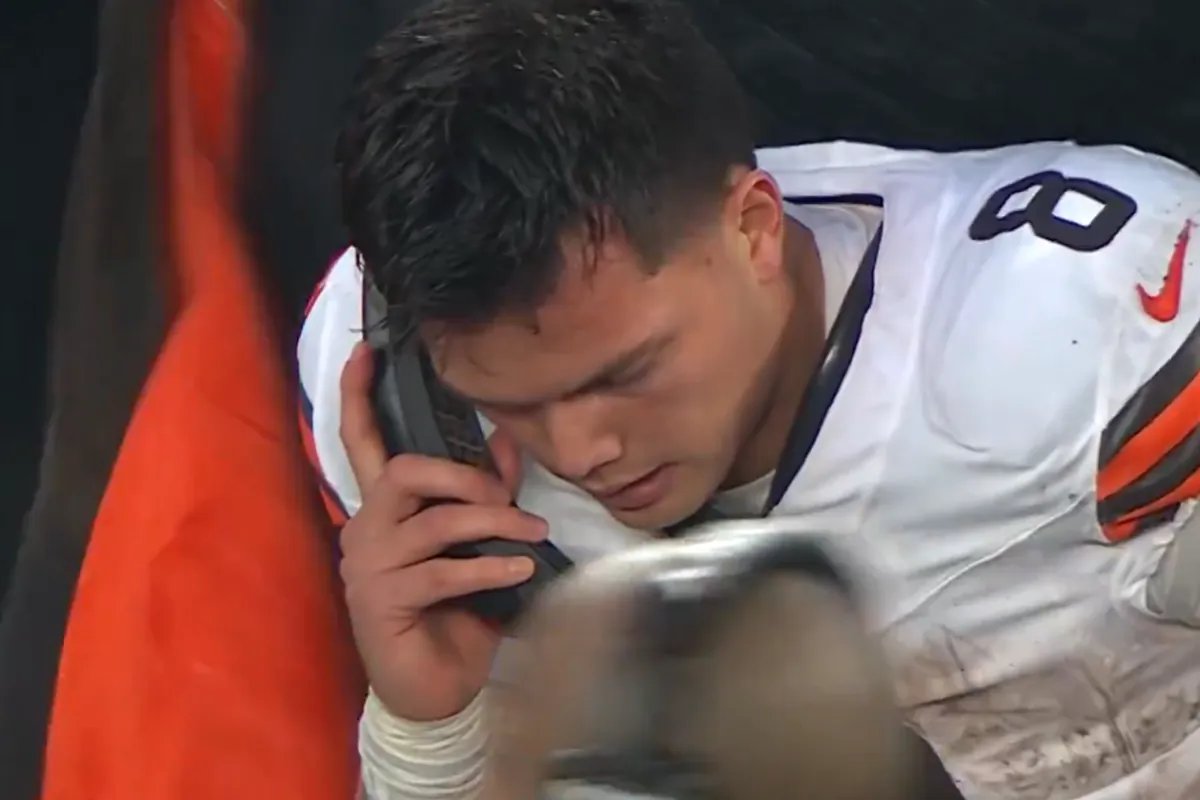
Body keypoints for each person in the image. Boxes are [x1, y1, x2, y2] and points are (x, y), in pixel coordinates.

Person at [297, 0, 1200, 797]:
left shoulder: (1096, 328)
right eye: (509, 404)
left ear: (754, 227)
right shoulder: (406, 421)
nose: (578, 452)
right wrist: (429, 727)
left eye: (622, 373)